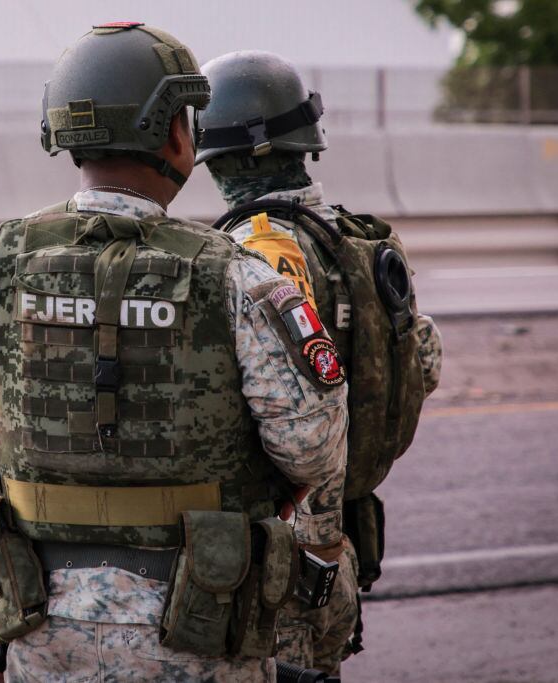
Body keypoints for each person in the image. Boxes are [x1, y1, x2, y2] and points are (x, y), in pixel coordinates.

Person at [0, 24, 348, 682]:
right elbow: (313, 447)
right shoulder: (242, 278)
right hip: (204, 623)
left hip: (38, 624)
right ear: (175, 131)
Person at [195, 50, 444, 675]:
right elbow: (425, 363)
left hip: (291, 555)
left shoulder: (259, 252)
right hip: (340, 548)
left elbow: (306, 418)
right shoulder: (364, 240)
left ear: (229, 157)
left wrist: (315, 545)